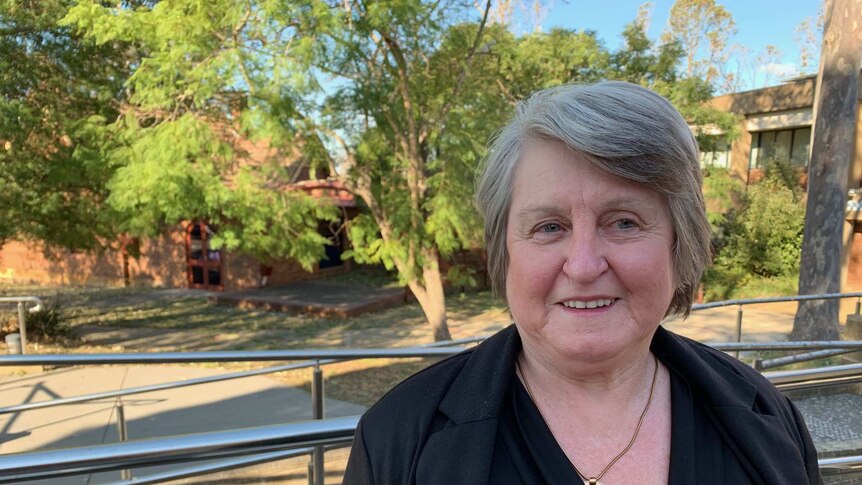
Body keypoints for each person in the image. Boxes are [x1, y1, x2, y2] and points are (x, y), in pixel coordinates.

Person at [343, 81, 821, 485]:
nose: (585, 265)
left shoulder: (767, 417)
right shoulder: (397, 440)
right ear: (504, 250)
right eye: (549, 227)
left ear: (681, 243)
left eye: (625, 222)